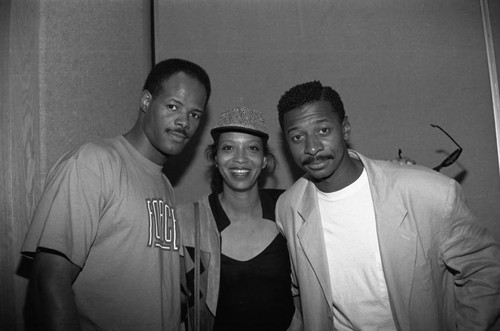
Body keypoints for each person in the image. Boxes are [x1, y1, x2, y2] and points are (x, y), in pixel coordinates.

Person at [275, 80, 500, 330]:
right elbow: (301, 293)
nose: (312, 147)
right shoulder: (288, 208)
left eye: (323, 131)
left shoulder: (426, 192)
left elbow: (484, 271)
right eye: (297, 137)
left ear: (345, 129)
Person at [21, 58, 211, 331]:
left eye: (195, 114)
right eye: (173, 106)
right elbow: (48, 280)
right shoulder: (94, 162)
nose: (184, 122)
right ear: (146, 101)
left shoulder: (165, 185)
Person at [177, 107, 301, 330]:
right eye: (228, 148)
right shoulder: (190, 220)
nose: (240, 159)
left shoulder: (290, 207)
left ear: (264, 160)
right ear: (215, 158)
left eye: (252, 148)